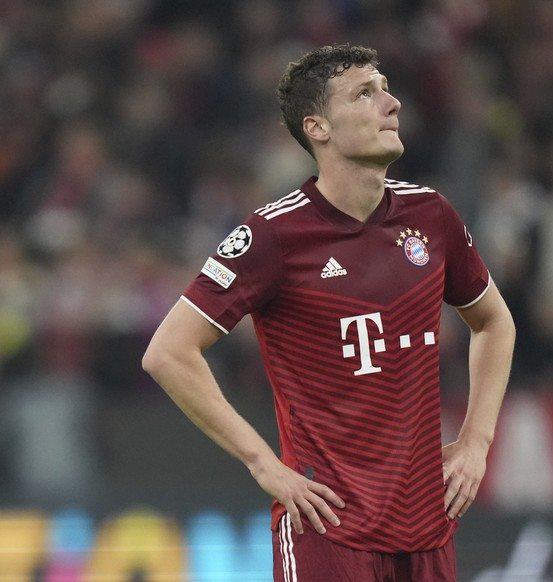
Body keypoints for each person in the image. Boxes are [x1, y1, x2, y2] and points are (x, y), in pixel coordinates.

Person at [141, 43, 515, 582]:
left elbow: (494, 321)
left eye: (386, 88)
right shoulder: (273, 235)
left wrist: (477, 442)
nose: (392, 104)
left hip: (428, 527)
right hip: (328, 530)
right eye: (365, 93)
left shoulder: (431, 215)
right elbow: (169, 353)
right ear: (317, 127)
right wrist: (263, 463)